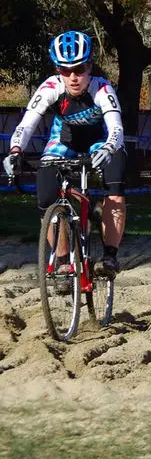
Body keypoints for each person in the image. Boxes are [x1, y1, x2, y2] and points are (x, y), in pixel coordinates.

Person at [3, 31, 127, 276]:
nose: (73, 77)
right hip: (64, 142)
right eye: (64, 70)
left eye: (79, 69)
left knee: (115, 190)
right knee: (46, 197)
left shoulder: (102, 88)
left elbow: (116, 128)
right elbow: (27, 124)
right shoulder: (51, 87)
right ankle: (61, 262)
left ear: (90, 67)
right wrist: (15, 151)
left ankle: (110, 257)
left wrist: (109, 147)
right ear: (57, 70)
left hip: (101, 141)